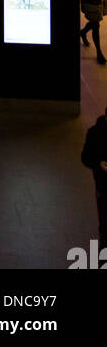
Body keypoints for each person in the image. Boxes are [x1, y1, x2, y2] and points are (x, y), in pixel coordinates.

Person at [81, 101, 107, 249]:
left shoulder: (94, 132)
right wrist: (99, 164)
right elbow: (86, 158)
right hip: (104, 188)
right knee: (105, 225)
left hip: (102, 187)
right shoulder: (95, 133)